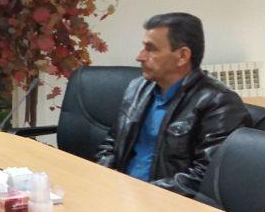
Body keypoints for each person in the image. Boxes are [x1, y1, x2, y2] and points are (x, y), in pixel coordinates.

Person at [95, 12, 250, 198]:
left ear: (182, 56)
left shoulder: (219, 103)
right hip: (121, 194)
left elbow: (204, 177)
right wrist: (106, 179)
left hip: (165, 203)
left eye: (151, 49)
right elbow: (112, 143)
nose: (140, 56)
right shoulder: (137, 88)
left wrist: (140, 194)